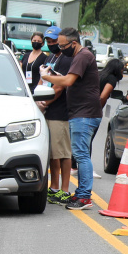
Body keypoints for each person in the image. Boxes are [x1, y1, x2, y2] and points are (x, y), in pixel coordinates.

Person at [44, 27, 101, 211]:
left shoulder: (83, 56)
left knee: (81, 154)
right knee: (79, 153)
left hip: (85, 114)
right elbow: (71, 80)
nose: (60, 49)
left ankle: (84, 196)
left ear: (73, 43)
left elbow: (68, 81)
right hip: (80, 113)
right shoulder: (80, 56)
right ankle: (81, 193)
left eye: (62, 45)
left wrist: (47, 77)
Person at [37, 26, 74, 205]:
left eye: (54, 42)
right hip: (47, 109)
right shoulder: (51, 57)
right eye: (49, 41)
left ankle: (65, 189)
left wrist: (45, 103)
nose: (51, 44)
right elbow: (43, 79)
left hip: (60, 111)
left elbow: (60, 86)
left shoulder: (66, 59)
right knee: (52, 153)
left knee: (63, 153)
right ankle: (54, 186)